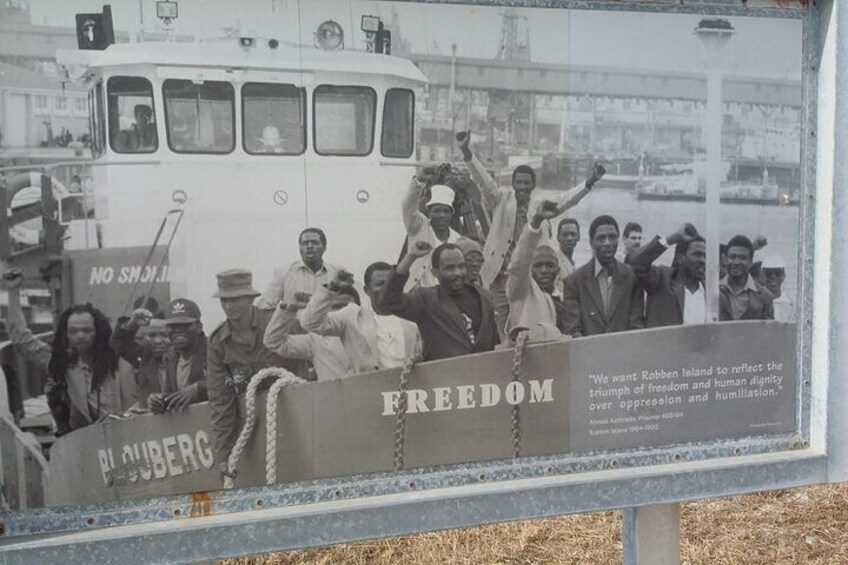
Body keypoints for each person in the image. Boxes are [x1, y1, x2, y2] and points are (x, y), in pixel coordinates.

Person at [456, 131, 602, 339]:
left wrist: (589, 183)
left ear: (533, 185)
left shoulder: (540, 207)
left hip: (530, 279)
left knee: (527, 323)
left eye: (527, 183)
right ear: (513, 184)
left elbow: (567, 199)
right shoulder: (500, 199)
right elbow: (483, 181)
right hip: (500, 276)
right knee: (501, 323)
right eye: (519, 183)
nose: (523, 187)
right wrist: (466, 151)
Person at [2, 267, 133, 435]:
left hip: (120, 439)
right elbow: (21, 339)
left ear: (97, 331)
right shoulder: (60, 362)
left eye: (87, 330)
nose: (80, 336)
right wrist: (13, 290)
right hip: (79, 443)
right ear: (65, 334)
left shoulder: (116, 362)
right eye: (73, 331)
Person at [207, 269, 283, 477]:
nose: (229, 306)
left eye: (235, 299)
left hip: (292, 410)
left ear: (250, 298)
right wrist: (223, 455)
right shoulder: (217, 343)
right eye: (224, 300)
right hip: (255, 425)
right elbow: (220, 400)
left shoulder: (275, 322)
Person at [378, 241, 499, 361]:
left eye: (461, 266)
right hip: (445, 376)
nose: (457, 273)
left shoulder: (485, 297)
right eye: (449, 268)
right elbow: (389, 302)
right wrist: (410, 257)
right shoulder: (426, 299)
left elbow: (494, 342)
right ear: (435, 272)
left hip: (485, 373)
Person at [298, 263, 422, 374]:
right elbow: (309, 322)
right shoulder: (352, 316)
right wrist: (333, 286)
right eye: (380, 284)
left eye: (390, 283)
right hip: (365, 393)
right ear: (367, 290)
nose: (386, 289)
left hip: (404, 393)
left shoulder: (411, 320)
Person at [562, 215, 644, 336]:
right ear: (591, 242)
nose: (607, 243)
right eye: (601, 238)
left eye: (612, 237)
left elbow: (636, 325)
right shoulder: (574, 282)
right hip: (588, 352)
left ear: (618, 239)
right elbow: (572, 329)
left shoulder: (631, 277)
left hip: (624, 351)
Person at [505, 201, 566, 342]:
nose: (544, 270)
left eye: (549, 266)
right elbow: (518, 265)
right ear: (530, 269)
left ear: (557, 271)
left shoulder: (563, 297)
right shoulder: (520, 292)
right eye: (538, 266)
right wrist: (536, 222)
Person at [262, 290, 353, 381]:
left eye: (349, 307)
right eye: (337, 307)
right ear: (324, 311)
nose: (343, 312)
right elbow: (273, 342)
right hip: (333, 394)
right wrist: (289, 309)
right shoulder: (315, 341)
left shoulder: (365, 331)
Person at [629, 224, 706, 327]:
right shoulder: (662, 279)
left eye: (705, 256)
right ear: (680, 258)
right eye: (697, 254)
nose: (702, 260)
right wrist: (674, 238)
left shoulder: (711, 293)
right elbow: (636, 262)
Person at [256, 228, 342, 310]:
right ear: (299, 248)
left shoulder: (337, 274)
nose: (309, 246)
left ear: (324, 247)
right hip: (294, 323)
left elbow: (350, 306)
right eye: (305, 243)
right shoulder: (284, 273)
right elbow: (264, 305)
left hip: (329, 324)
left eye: (315, 242)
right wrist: (285, 311)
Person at [401, 177, 462, 290]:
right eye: (437, 211)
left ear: (451, 214)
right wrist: (418, 182)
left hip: (447, 297)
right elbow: (408, 207)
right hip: (420, 295)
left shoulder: (458, 239)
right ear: (429, 212)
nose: (442, 215)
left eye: (446, 211)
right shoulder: (419, 229)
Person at [720, 236, 774, 321]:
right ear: (726, 259)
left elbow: (769, 331)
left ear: (751, 262)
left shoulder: (765, 297)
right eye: (732, 257)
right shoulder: (712, 290)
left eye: (742, 258)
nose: (736, 262)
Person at [761, 255, 794, 323]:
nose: (773, 276)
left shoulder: (792, 305)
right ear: (762, 276)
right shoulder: (755, 302)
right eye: (769, 273)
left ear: (784, 276)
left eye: (778, 272)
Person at [555, 217, 580, 294]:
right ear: (558, 238)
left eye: (573, 234)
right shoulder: (554, 261)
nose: (569, 238)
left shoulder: (574, 265)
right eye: (565, 235)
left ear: (578, 237)